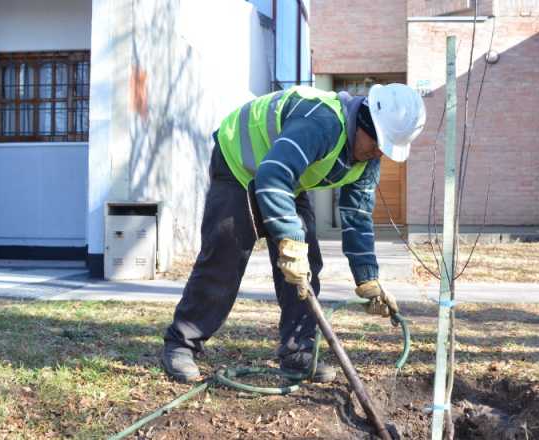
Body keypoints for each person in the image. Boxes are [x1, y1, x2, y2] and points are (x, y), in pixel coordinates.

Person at [161, 84, 426, 383]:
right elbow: (272, 174)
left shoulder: (368, 160)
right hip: (239, 163)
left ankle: (298, 353)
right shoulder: (322, 123)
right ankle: (181, 344)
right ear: (364, 122)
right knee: (225, 256)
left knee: (307, 265)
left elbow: (358, 216)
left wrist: (367, 279)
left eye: (387, 148)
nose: (379, 152)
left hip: (286, 178)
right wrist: (288, 241)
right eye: (379, 142)